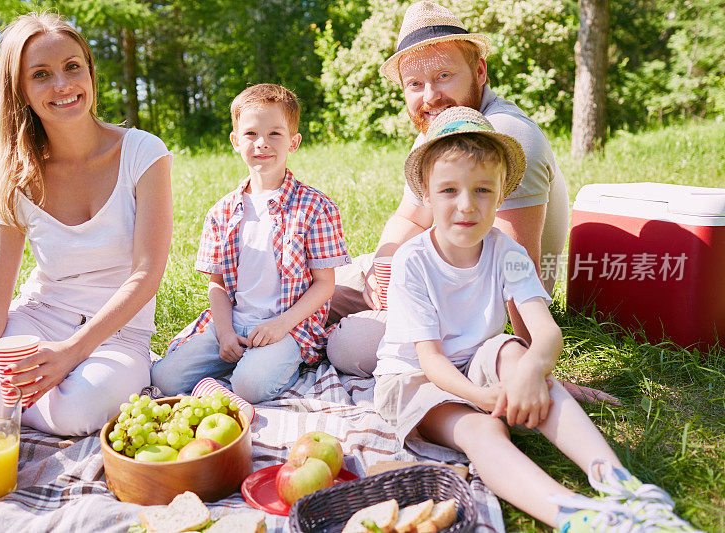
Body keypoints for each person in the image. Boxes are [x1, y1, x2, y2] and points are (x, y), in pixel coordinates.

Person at [372, 106, 698, 531]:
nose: (467, 205)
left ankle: (616, 479)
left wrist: (532, 371)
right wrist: (484, 397)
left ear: (502, 193)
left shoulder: (506, 253)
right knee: (483, 431)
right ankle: (574, 514)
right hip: (415, 378)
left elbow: (545, 332)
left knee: (516, 353)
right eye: (449, 191)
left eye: (483, 190)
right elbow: (431, 360)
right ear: (428, 197)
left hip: (476, 358)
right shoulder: (412, 261)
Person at [0, 13, 173, 469]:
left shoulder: (143, 152)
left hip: (119, 334)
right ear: (20, 91)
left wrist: (71, 354)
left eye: (73, 67)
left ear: (91, 73)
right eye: (41, 74)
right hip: (38, 320)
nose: (63, 84)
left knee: (75, 410)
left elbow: (147, 273)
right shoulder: (17, 175)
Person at [327, 0, 570, 377]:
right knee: (310, 290)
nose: (429, 97)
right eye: (415, 84)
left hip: (475, 300)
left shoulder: (503, 135)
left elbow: (517, 267)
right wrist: (382, 266)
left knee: (350, 345)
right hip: (429, 264)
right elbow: (410, 215)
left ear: (479, 71)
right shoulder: (441, 128)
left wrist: (533, 370)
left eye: (443, 76)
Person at [150, 84, 350, 403]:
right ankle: (231, 368)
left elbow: (325, 285)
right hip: (235, 323)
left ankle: (267, 369)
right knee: (164, 378)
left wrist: (279, 326)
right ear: (235, 141)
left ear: (293, 142)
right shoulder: (222, 212)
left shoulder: (314, 207)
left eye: (275, 134)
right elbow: (217, 285)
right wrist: (226, 332)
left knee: (250, 386)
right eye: (251, 134)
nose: (262, 144)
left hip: (287, 326)